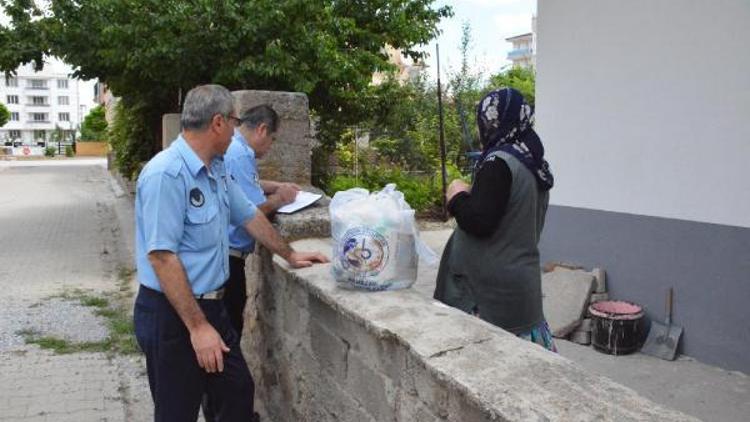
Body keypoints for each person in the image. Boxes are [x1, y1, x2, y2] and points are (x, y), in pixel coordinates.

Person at [133, 84, 328, 422]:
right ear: (219, 123)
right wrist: (197, 328)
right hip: (173, 314)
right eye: (236, 122)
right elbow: (162, 257)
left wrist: (290, 254)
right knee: (177, 411)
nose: (238, 131)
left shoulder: (216, 168)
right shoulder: (166, 174)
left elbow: (249, 215)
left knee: (237, 393)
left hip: (213, 306)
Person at [434, 87, 557, 352]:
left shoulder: (499, 162)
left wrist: (456, 195)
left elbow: (480, 221)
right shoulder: (531, 160)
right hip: (520, 287)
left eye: (486, 122)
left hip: (491, 299)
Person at [222, 104, 298, 338]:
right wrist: (279, 199)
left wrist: (275, 186)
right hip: (228, 258)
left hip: (223, 254)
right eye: (273, 139)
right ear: (262, 130)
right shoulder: (240, 153)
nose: (271, 146)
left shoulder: (233, 147)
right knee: (230, 332)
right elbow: (252, 212)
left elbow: (242, 185)